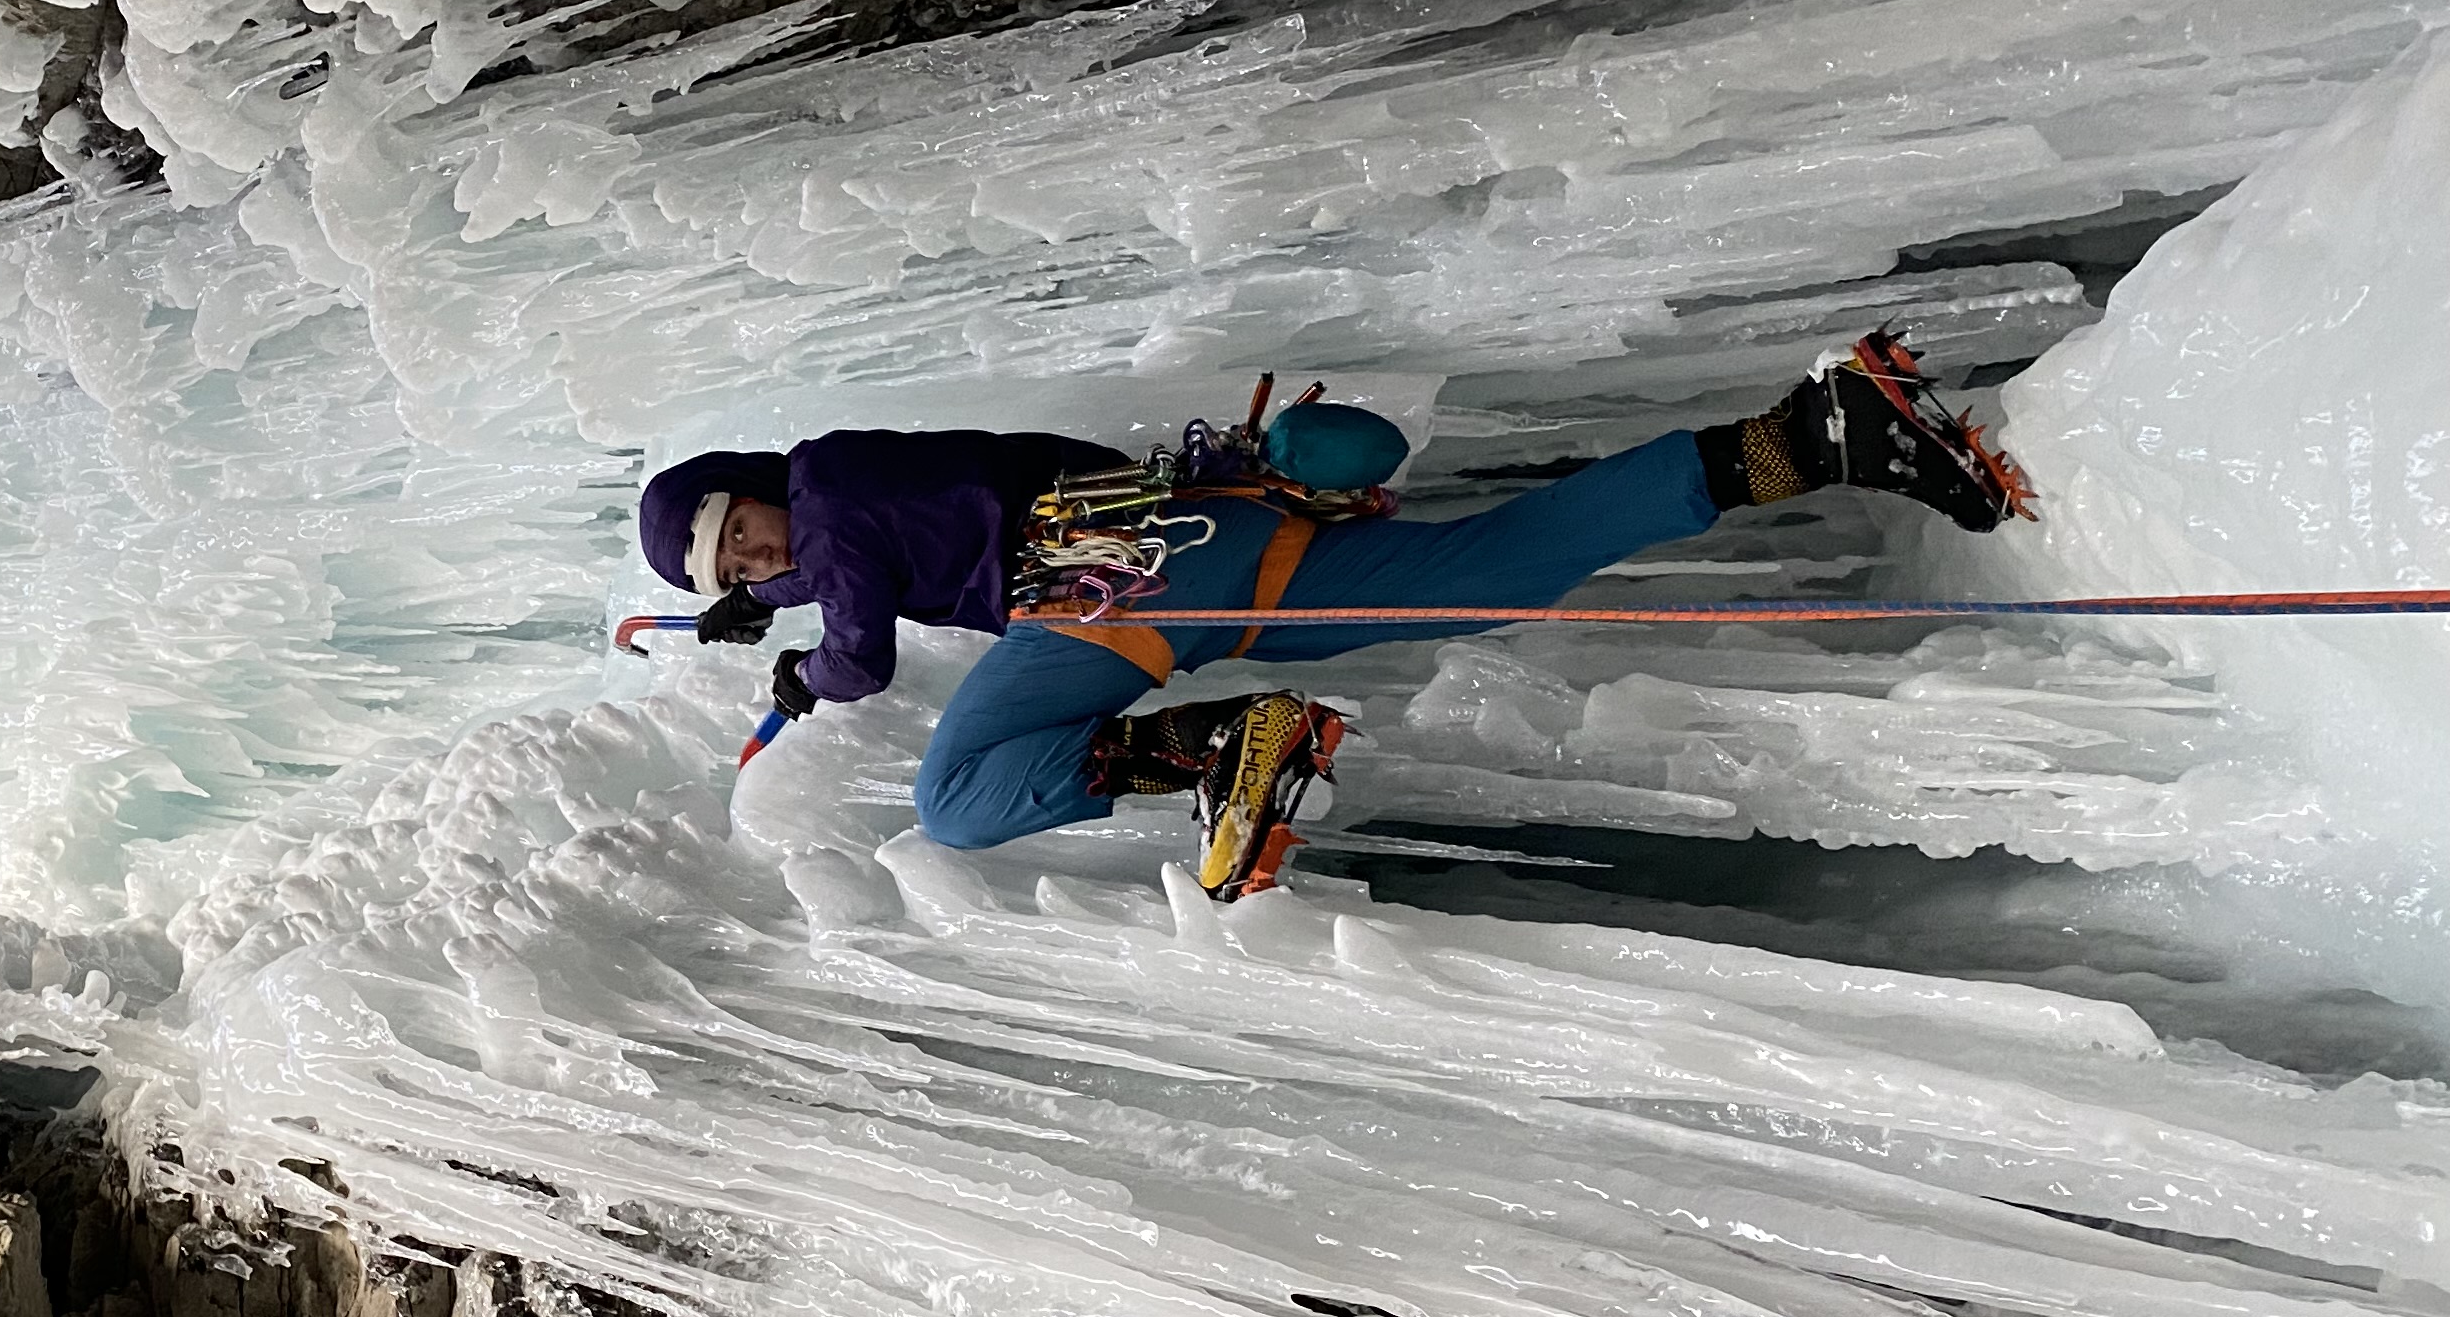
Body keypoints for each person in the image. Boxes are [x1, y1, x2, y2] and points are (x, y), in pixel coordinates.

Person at [638, 333, 2033, 896]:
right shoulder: (827, 523)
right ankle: (1816, 431)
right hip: (1214, 553)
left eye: (735, 531)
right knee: (1502, 570)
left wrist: (808, 678)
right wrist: (768, 612)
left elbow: (866, 642)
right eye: (736, 565)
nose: (755, 552)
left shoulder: (826, 484)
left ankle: (1226, 747)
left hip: (1110, 594)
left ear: (749, 487)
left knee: (955, 799)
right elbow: (842, 570)